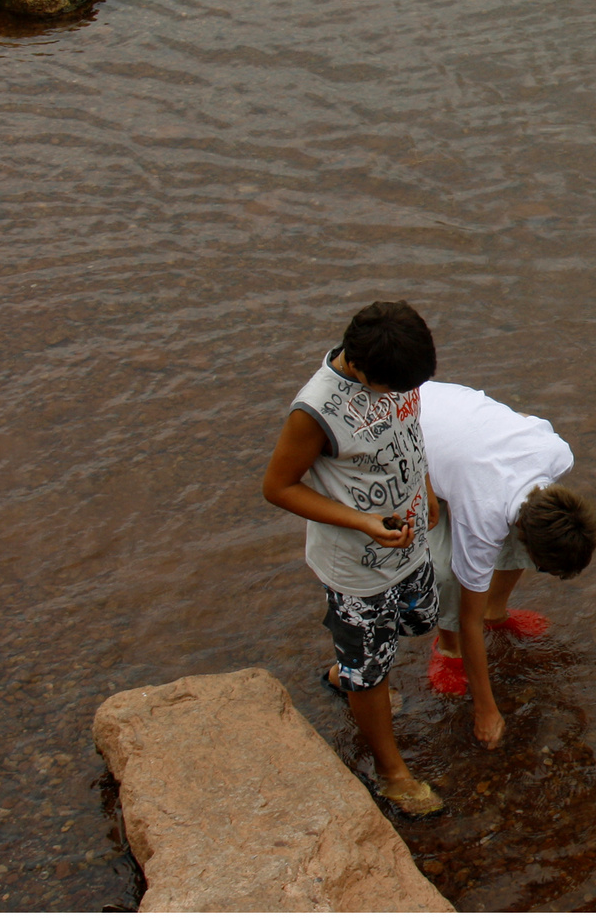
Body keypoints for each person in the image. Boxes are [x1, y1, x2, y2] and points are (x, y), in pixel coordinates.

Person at [260, 300, 445, 818]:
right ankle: (392, 774)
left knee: (420, 618)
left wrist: (424, 489)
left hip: (408, 542)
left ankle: (345, 674)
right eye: (391, 387)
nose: (402, 394)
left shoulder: (397, 374)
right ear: (359, 368)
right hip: (357, 568)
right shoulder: (315, 411)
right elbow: (278, 487)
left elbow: (410, 435)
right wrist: (362, 521)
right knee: (372, 670)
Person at [419, 380, 596, 749]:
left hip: (462, 442)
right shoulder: (483, 519)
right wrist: (486, 709)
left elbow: (520, 422)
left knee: (522, 532)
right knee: (448, 573)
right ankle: (446, 648)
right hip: (405, 428)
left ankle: (496, 612)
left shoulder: (558, 455)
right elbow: (468, 620)